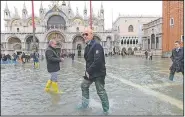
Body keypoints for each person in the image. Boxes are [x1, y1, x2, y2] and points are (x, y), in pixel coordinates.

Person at [78, 27, 109, 115]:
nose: (84, 36)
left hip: (98, 73)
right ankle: (85, 105)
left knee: (100, 91)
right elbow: (88, 61)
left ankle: (106, 111)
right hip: (90, 73)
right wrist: (86, 72)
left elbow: (98, 61)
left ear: (92, 35)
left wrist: (88, 71)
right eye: (83, 34)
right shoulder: (87, 47)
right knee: (84, 85)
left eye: (86, 34)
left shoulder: (97, 45)